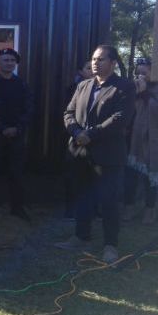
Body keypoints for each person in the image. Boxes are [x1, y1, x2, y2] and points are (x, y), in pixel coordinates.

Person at [56, 45, 135, 264]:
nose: (95, 63)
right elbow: (68, 112)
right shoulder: (83, 85)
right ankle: (81, 236)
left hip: (108, 156)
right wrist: (76, 131)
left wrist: (91, 134)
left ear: (113, 62)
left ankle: (111, 244)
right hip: (81, 154)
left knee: (109, 200)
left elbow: (120, 118)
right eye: (93, 59)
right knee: (82, 197)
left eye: (100, 59)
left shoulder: (124, 87)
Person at [123, 58, 158, 224]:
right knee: (131, 176)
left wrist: (144, 94)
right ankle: (128, 207)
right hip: (135, 142)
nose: (141, 76)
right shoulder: (136, 89)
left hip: (155, 142)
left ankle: (150, 209)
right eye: (138, 73)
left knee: (151, 178)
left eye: (144, 73)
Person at [0, 48, 33, 221]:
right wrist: (2, 128)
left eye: (12, 60)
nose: (9, 63)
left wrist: (17, 128)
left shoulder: (21, 84)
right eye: (6, 60)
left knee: (17, 173)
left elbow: (28, 109)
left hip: (16, 135)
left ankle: (17, 208)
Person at [62, 59, 94, 218]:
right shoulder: (73, 89)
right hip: (75, 140)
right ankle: (71, 210)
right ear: (80, 71)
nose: (93, 70)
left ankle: (93, 210)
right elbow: (68, 113)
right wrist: (77, 133)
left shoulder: (107, 89)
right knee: (74, 177)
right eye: (88, 67)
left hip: (95, 141)